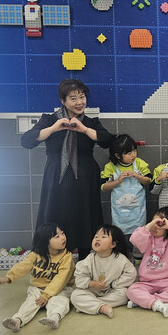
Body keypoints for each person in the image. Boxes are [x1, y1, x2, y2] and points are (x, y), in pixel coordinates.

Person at [21, 79, 114, 259]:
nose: (79, 102)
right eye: (73, 98)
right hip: (56, 178)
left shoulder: (90, 122)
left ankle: (86, 262)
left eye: (82, 97)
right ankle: (56, 262)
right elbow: (27, 141)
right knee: (56, 216)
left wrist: (84, 129)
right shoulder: (49, 119)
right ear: (62, 101)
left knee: (86, 218)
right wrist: (53, 128)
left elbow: (108, 140)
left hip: (85, 178)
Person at [0, 223, 75, 332]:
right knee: (30, 302)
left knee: (60, 300)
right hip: (38, 288)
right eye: (57, 236)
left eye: (62, 233)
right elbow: (22, 266)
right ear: (45, 243)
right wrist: (8, 278)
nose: (63, 237)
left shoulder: (66, 257)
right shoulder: (36, 255)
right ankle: (17, 321)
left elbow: (61, 279)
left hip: (60, 288)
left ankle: (54, 318)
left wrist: (47, 295)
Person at [126, 207, 168, 318]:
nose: (155, 227)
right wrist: (149, 226)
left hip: (167, 281)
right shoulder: (147, 238)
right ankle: (154, 303)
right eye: (154, 222)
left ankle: (144, 301)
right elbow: (134, 239)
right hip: (146, 282)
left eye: (160, 225)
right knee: (131, 291)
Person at [70, 225, 137, 318]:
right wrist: (91, 283)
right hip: (93, 290)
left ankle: (90, 305)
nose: (97, 239)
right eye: (96, 236)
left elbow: (131, 273)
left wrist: (115, 284)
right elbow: (79, 277)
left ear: (113, 244)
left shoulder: (120, 259)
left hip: (112, 290)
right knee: (75, 295)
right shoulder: (90, 259)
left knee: (125, 294)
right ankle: (101, 307)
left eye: (103, 237)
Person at [100, 134, 151, 257]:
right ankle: (121, 256)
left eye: (134, 151)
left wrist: (138, 176)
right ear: (118, 155)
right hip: (119, 211)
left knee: (139, 233)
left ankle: (138, 256)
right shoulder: (111, 167)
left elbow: (149, 181)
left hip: (137, 210)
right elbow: (103, 187)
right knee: (119, 234)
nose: (133, 155)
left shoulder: (139, 164)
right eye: (129, 153)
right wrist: (118, 181)